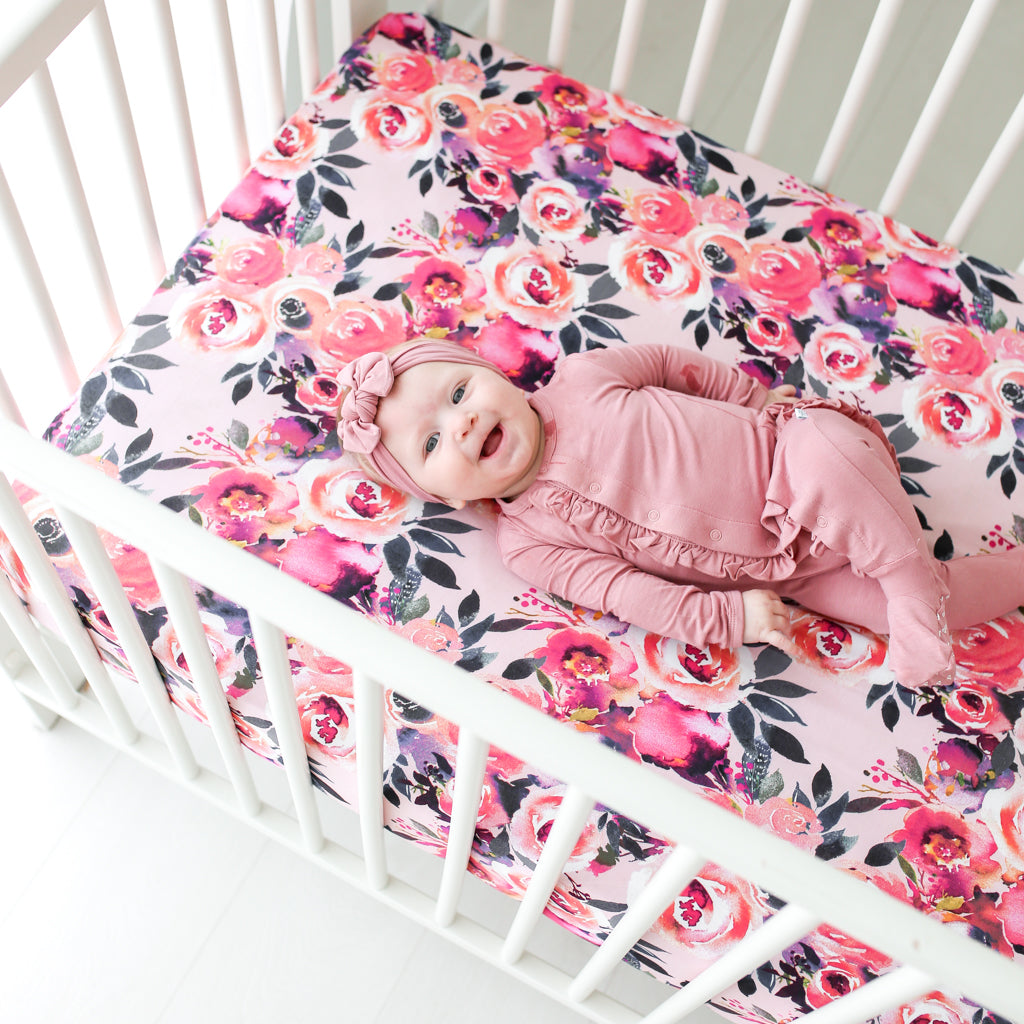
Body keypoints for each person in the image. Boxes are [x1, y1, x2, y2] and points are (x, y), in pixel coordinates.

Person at [338, 338, 1024, 688]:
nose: (462, 423)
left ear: (495, 373)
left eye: (460, 390)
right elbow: (628, 592)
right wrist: (725, 617)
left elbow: (676, 366)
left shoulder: (583, 379)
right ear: (449, 498)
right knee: (906, 608)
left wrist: (759, 408)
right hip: (790, 572)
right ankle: (964, 585)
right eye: (432, 443)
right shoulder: (527, 541)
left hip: (794, 456)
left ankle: (908, 582)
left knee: (825, 454)